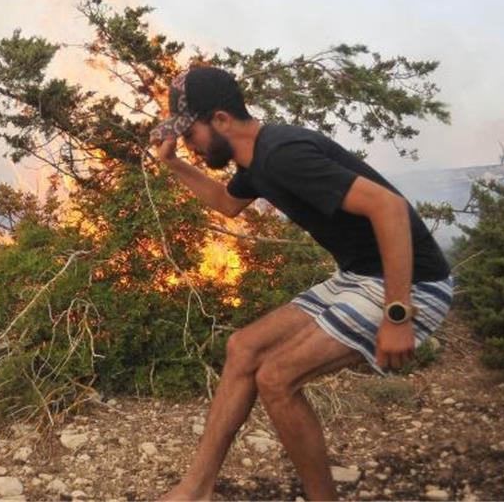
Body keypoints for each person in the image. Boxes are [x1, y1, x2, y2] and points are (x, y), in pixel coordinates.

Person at [150, 65, 453, 502]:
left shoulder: (283, 154)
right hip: (360, 275)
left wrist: (398, 313)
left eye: (189, 134)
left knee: (276, 378)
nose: (191, 146)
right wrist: (174, 163)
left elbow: (389, 208)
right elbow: (225, 204)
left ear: (220, 120)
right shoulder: (254, 163)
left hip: (412, 284)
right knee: (243, 348)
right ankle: (196, 490)